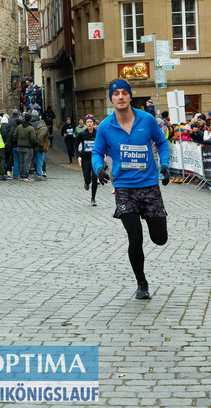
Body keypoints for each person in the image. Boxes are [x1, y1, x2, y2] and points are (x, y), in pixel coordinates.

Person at [92, 78, 170, 300]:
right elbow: (97, 152)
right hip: (124, 188)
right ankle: (141, 283)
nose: (120, 97)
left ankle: (154, 225)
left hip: (149, 185)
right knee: (135, 237)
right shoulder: (106, 126)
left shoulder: (147, 120)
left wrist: (164, 165)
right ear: (111, 98)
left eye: (124, 93)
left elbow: (162, 143)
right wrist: (99, 168)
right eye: (116, 93)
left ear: (130, 96)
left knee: (160, 238)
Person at [76, 115, 98, 206]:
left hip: (95, 158)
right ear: (86, 124)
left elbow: (104, 144)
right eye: (87, 122)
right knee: (88, 179)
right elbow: (76, 145)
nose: (89, 124)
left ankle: (93, 199)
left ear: (93, 123)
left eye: (90, 122)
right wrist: (78, 156)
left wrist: (104, 154)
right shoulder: (82, 134)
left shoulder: (97, 133)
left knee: (95, 178)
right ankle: (86, 182)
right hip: (85, 158)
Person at [12, 114, 37, 181]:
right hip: (28, 147)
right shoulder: (31, 128)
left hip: (20, 146)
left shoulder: (19, 127)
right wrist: (34, 144)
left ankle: (21, 176)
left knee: (21, 162)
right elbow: (33, 139)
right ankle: (25, 176)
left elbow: (14, 135)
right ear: (30, 120)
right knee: (27, 162)